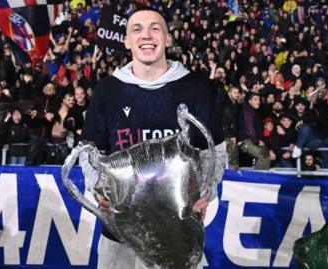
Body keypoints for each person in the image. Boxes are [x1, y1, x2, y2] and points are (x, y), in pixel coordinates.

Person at [80, 8, 225, 269]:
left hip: (177, 232)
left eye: (155, 28)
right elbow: (90, 152)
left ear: (168, 39)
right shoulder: (108, 90)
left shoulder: (195, 88)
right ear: (126, 40)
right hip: (120, 234)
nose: (146, 35)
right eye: (137, 29)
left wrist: (206, 191)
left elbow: (214, 150)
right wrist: (99, 189)